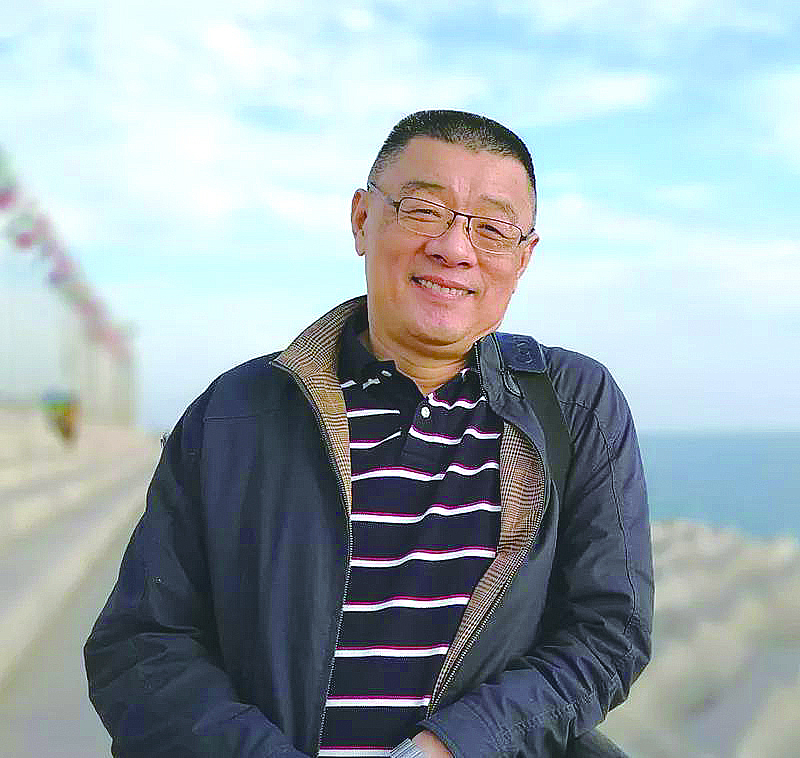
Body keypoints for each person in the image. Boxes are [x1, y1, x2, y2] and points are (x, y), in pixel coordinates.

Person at [85, 110, 653, 758]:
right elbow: (141, 647)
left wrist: (453, 746)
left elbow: (609, 633)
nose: (454, 248)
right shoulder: (236, 413)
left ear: (524, 257)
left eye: (493, 228)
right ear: (361, 219)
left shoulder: (573, 404)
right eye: (423, 210)